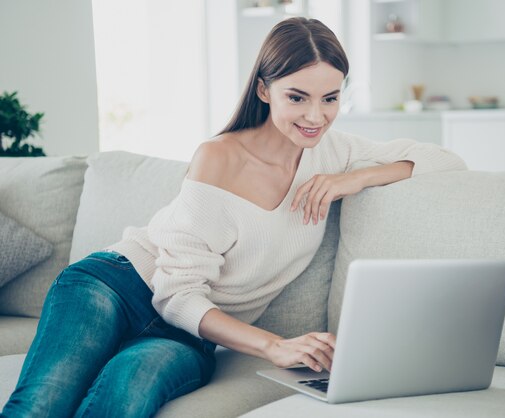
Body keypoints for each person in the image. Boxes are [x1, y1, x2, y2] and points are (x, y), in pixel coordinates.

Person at [1, 17, 466, 417]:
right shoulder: (219, 158)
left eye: (331, 98)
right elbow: (176, 294)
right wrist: (272, 345)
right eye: (297, 97)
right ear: (264, 89)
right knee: (44, 402)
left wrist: (354, 180)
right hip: (115, 285)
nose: (316, 116)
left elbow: (446, 162)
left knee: (125, 395)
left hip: (189, 334)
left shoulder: (335, 151)